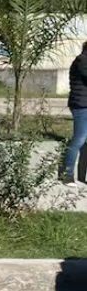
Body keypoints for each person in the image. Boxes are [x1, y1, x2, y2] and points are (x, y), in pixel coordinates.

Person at [61, 40, 87, 185]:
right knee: (79, 139)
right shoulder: (82, 61)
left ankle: (82, 176)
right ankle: (67, 175)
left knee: (83, 142)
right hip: (81, 106)